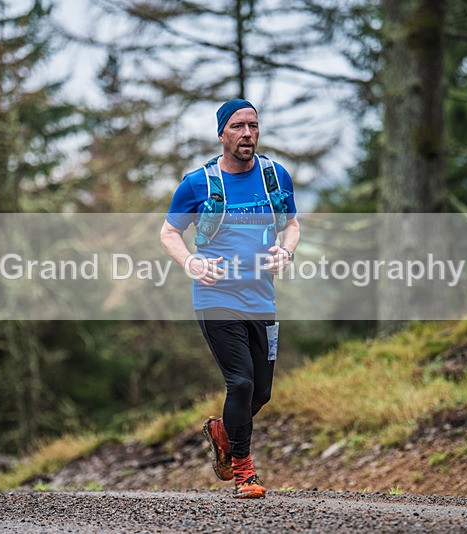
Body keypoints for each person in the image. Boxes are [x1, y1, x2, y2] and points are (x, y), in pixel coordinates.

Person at [160, 98, 300, 498]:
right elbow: (169, 232)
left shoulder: (276, 176)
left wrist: (286, 251)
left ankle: (223, 431)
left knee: (261, 392)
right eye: (238, 127)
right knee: (239, 383)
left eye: (253, 126)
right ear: (221, 133)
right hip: (215, 296)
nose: (247, 134)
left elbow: (291, 225)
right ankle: (244, 472)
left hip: (261, 298)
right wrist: (190, 263)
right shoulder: (198, 183)